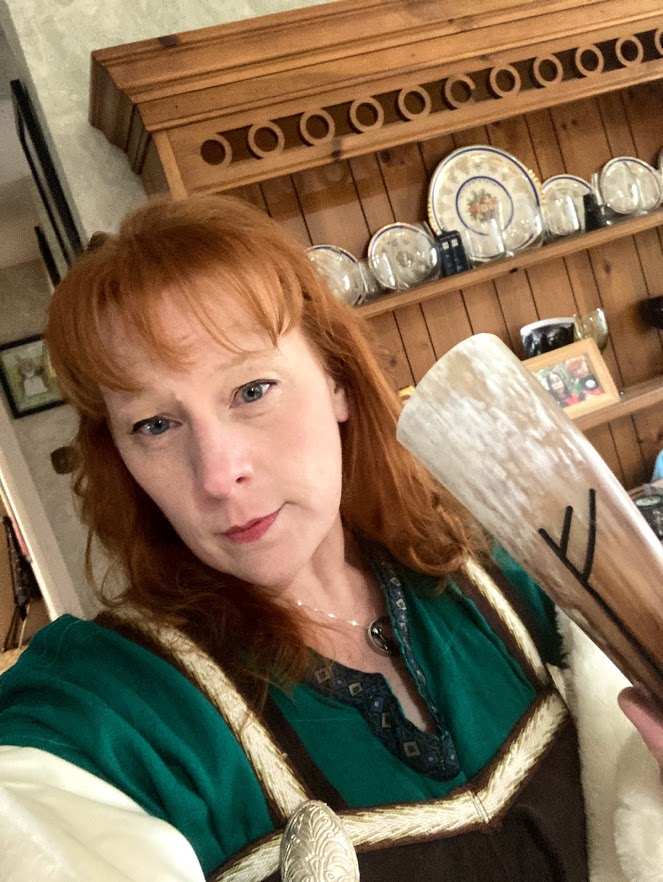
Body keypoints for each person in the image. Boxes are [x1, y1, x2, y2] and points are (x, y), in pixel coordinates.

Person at [0, 194, 661, 882]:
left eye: (252, 390)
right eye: (155, 426)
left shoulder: (497, 576)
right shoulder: (121, 706)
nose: (219, 475)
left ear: (336, 379)